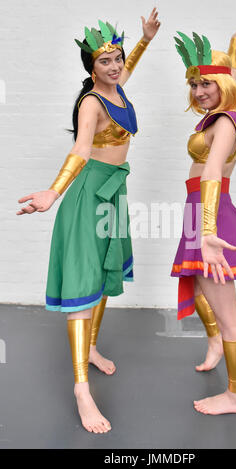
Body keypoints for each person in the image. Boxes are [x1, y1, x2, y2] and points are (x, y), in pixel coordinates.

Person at [16, 9, 160, 433]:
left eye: (117, 57)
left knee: (101, 278)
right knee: (83, 287)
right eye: (105, 61)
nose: (115, 66)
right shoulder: (93, 102)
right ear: (90, 68)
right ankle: (81, 389)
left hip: (112, 193)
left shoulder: (115, 86)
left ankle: (92, 348)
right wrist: (52, 192)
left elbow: (126, 71)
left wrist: (145, 40)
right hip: (85, 196)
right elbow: (80, 150)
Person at [171, 24, 236, 415]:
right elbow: (231, 75)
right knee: (201, 289)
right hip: (203, 213)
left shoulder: (225, 122)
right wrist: (235, 43)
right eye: (194, 85)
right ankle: (215, 343)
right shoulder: (229, 109)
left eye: (206, 84)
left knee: (231, 320)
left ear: (223, 86)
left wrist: (206, 232)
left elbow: (210, 173)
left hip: (212, 217)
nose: (199, 92)